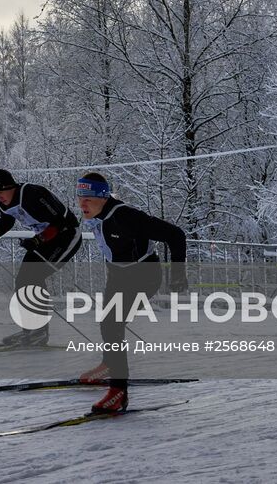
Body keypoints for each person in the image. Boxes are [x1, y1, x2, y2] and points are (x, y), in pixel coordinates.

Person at [74, 171, 187, 415]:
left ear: (103, 197)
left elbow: (176, 235)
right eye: (79, 196)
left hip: (144, 276)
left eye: (89, 198)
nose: (82, 203)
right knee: (107, 323)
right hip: (118, 274)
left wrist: (177, 275)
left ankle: (118, 392)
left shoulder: (125, 216)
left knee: (112, 323)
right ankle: (109, 364)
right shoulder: (95, 213)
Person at [0, 168, 81, 346]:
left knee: (34, 277)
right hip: (44, 240)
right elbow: (6, 222)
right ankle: (31, 330)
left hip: (67, 235)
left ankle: (39, 331)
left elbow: (59, 222)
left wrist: (38, 239)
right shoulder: (5, 204)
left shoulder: (32, 194)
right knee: (22, 281)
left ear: (12, 187)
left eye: (1, 192)